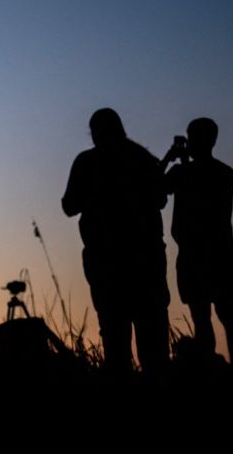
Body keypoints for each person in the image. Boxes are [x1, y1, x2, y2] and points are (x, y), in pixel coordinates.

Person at [62, 108, 170, 376]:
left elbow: (69, 206)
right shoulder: (141, 158)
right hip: (143, 260)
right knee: (151, 336)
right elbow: (161, 199)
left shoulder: (87, 162)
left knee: (115, 335)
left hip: (107, 262)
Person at [162, 117, 233, 369]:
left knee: (203, 316)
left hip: (194, 255)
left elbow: (157, 185)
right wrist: (182, 158)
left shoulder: (183, 172)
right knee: (227, 313)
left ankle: (207, 371)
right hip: (221, 254)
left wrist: (171, 156)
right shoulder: (226, 172)